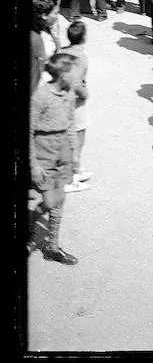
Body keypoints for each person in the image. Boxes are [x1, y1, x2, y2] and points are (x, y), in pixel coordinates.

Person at [28, 52, 79, 264]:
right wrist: (34, 166)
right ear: (62, 75)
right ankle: (29, 231)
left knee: (60, 200)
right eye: (73, 73)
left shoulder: (68, 94)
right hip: (43, 152)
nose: (77, 77)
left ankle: (52, 246)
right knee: (49, 200)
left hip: (62, 152)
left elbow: (70, 124)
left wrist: (73, 154)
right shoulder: (41, 96)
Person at [61, 19, 92, 192]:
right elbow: (76, 82)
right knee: (78, 137)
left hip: (62, 99)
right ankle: (71, 177)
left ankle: (75, 169)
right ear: (84, 37)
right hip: (75, 102)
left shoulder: (63, 51)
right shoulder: (81, 57)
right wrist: (84, 93)